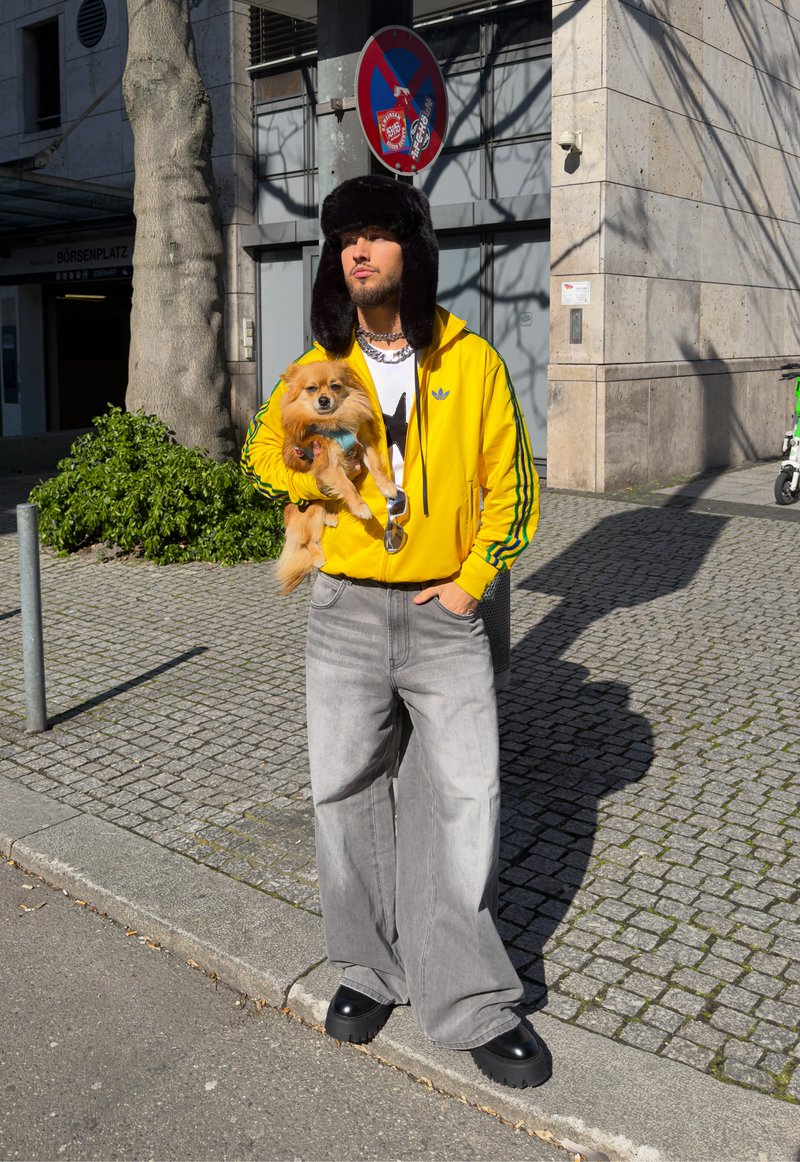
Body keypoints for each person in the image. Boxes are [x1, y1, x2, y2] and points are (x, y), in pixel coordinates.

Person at [241, 174, 550, 1089]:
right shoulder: (316, 362)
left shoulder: (472, 361)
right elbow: (266, 453)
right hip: (342, 608)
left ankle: (471, 1000)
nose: (359, 251)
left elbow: (515, 487)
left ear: (412, 250)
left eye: (377, 235)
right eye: (346, 240)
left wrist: (472, 585)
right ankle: (368, 972)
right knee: (344, 793)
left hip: (440, 611)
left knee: (463, 799)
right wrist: (310, 485)